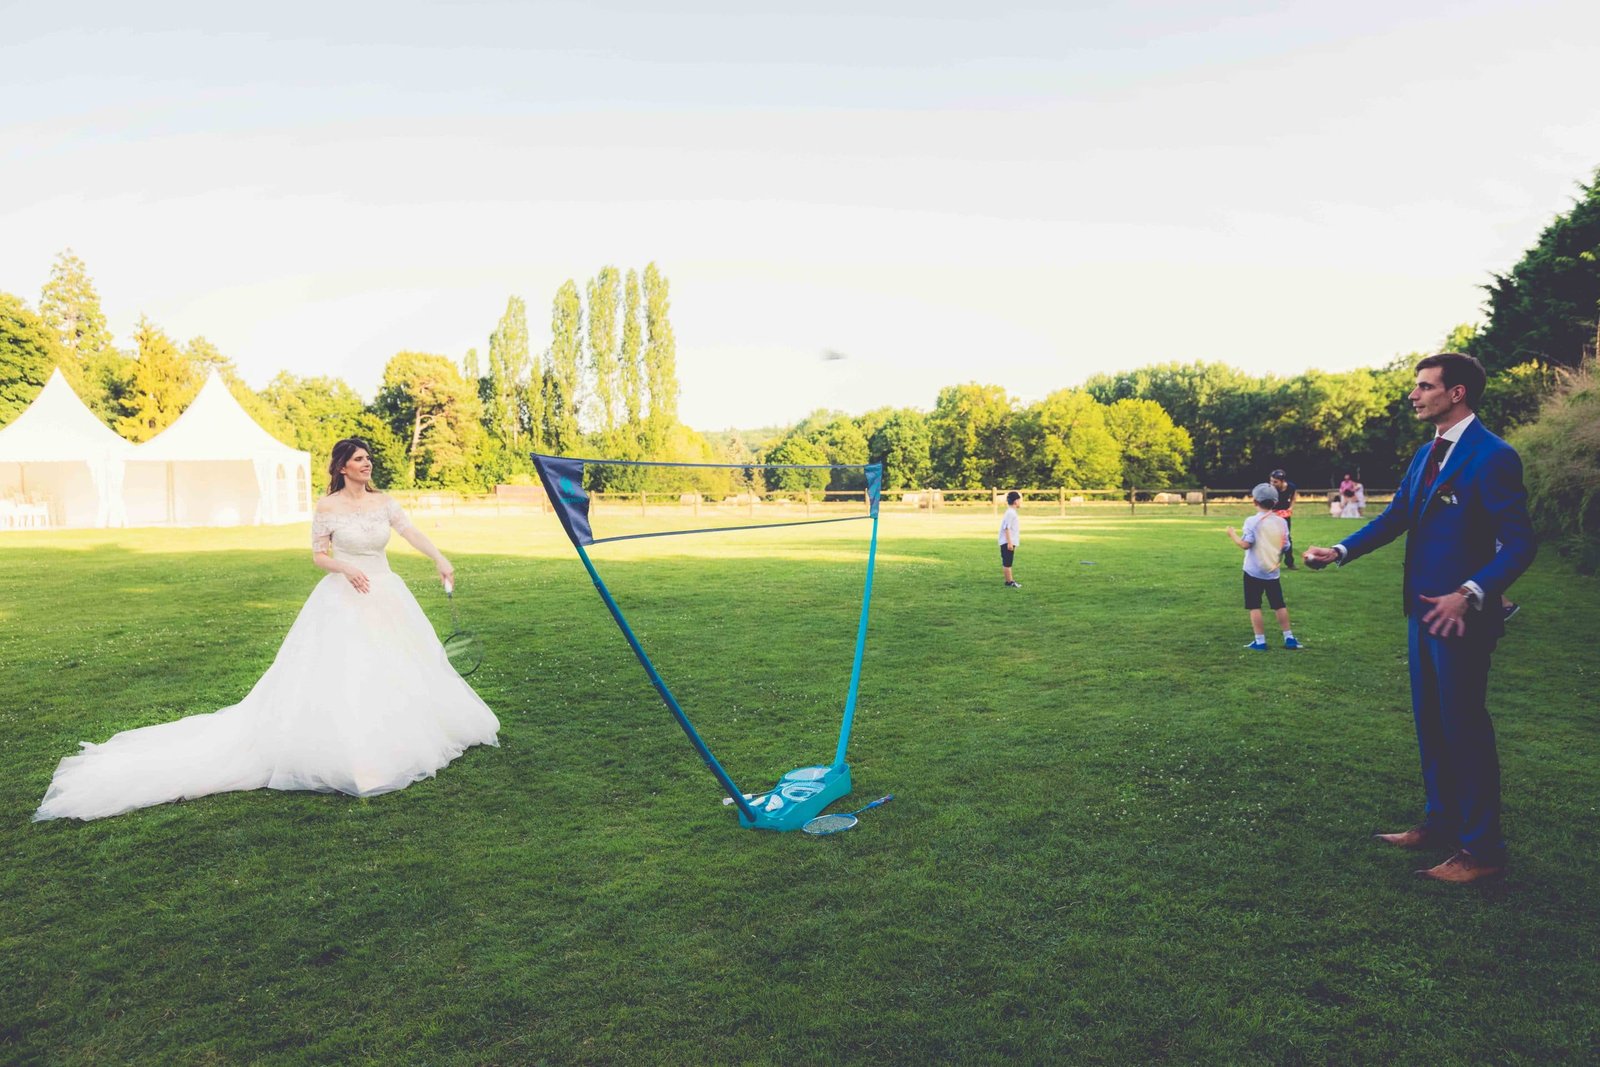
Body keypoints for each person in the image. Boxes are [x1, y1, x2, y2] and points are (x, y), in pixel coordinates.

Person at [34, 438, 500, 822]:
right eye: (359, 459)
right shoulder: (327, 506)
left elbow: (411, 532)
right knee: (349, 670)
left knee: (399, 662)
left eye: (368, 458)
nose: (367, 463)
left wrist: (439, 558)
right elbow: (317, 555)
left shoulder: (384, 502)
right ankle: (358, 754)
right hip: (345, 593)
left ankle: (410, 732)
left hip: (386, 591)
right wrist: (342, 568)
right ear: (341, 467)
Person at [1303, 353, 1534, 884]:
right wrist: (1340, 550)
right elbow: (1397, 516)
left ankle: (1482, 851)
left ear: (1457, 394)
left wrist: (1472, 593)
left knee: (1464, 728)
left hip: (1462, 619)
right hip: (1421, 614)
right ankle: (1440, 822)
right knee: (1432, 725)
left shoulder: (1493, 456)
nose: (1414, 395)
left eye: (1425, 386)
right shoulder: (1425, 453)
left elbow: (1520, 544)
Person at [1227, 483, 1302, 650]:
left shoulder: (1251, 521)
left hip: (1253, 571)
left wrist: (1232, 534)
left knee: (1254, 605)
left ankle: (1260, 641)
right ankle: (1289, 638)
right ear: (1275, 502)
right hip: (1272, 572)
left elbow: (1246, 544)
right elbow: (1286, 546)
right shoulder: (1282, 522)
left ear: (1255, 502)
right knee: (1279, 604)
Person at [1269, 469, 1297, 568]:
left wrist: (1290, 507)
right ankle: (1273, 562)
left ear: (1282, 481)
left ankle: (1290, 562)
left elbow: (1293, 497)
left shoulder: (1291, 487)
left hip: (1285, 515)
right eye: (1271, 481)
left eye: (1275, 482)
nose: (1272, 483)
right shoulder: (1270, 489)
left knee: (1287, 538)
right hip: (1272, 515)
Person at [998, 490, 1021, 588]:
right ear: (1015, 501)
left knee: (1008, 561)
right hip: (1007, 542)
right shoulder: (1010, 513)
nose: (1020, 502)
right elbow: (1006, 528)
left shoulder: (1011, 512)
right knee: (1007, 562)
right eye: (1020, 500)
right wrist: (1009, 543)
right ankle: (1009, 582)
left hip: (1009, 541)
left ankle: (1009, 581)